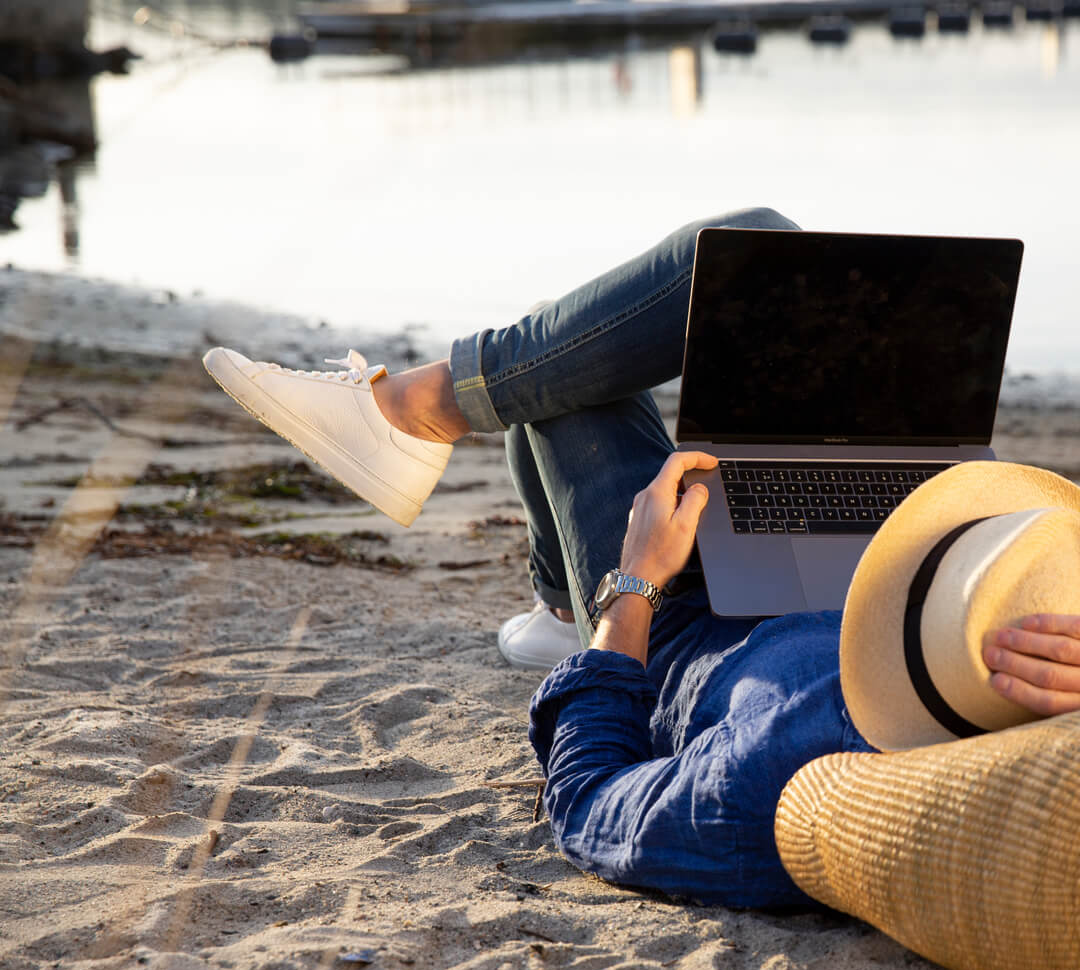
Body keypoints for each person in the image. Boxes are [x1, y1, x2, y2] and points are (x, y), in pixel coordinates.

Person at [203, 207, 1080, 909]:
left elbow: (588, 806)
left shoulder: (771, 773)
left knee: (597, 370)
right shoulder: (1044, 684)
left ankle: (425, 429)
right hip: (902, 547)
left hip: (681, 618)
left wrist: (633, 588)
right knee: (716, 287)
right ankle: (525, 566)